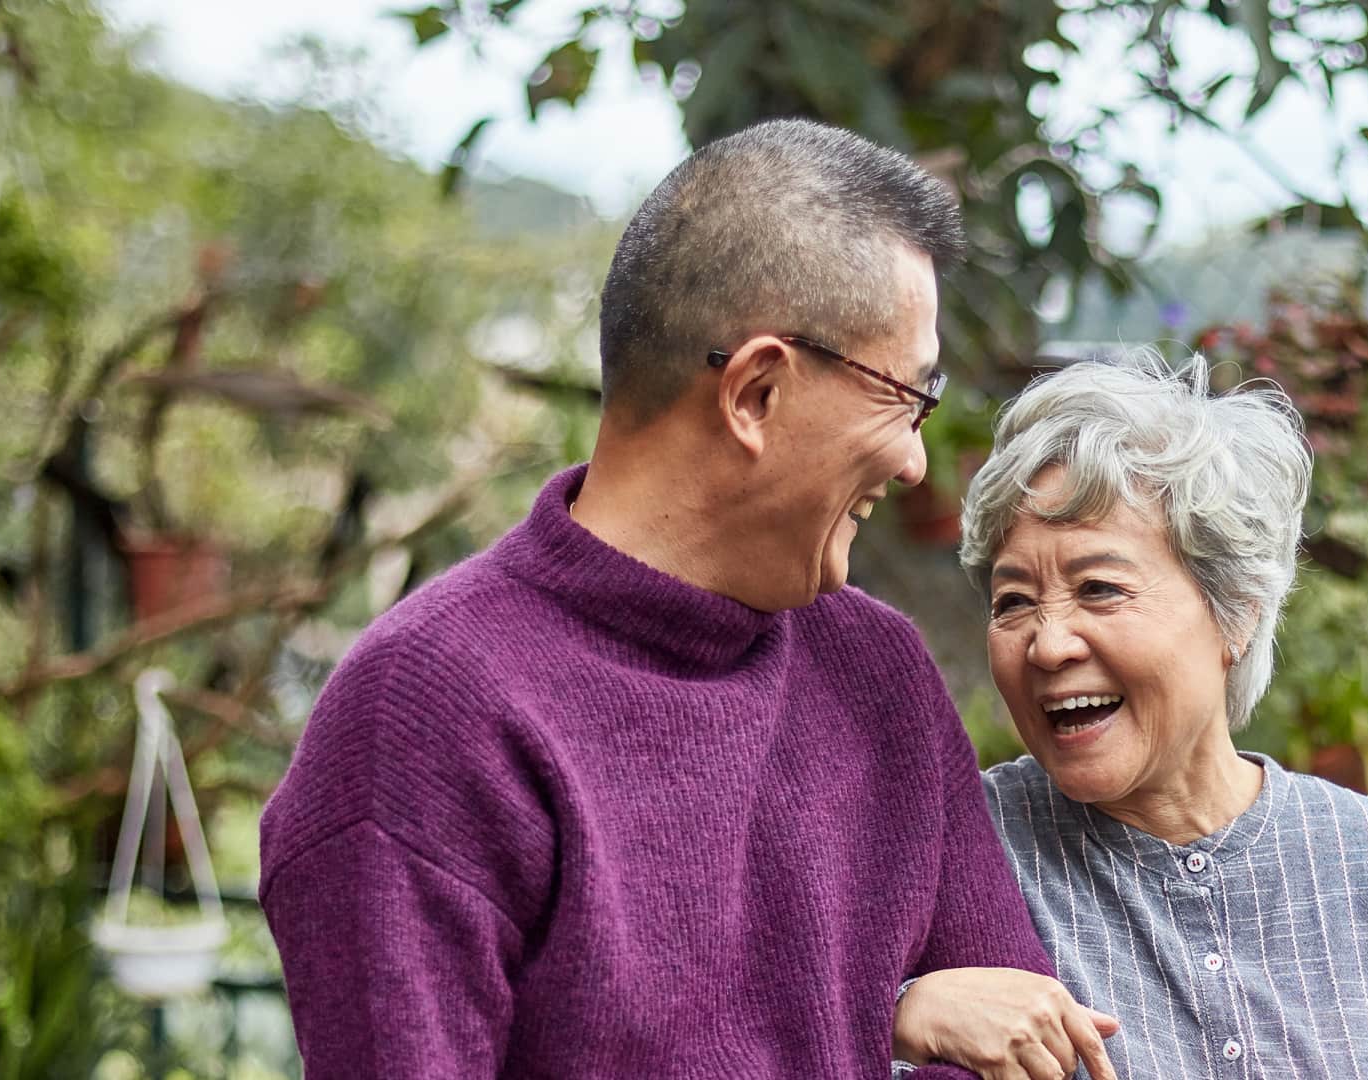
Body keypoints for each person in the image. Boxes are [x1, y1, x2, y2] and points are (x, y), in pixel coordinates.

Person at [258, 119, 1116, 1079]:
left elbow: (1024, 1050)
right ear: (755, 393)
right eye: (904, 397)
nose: (916, 461)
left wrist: (887, 1015)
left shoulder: (876, 671)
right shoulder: (425, 712)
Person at [893, 351, 1368, 1078]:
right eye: (1013, 601)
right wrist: (903, 1015)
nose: (1047, 644)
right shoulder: (953, 852)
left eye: (1099, 588)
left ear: (1235, 611)